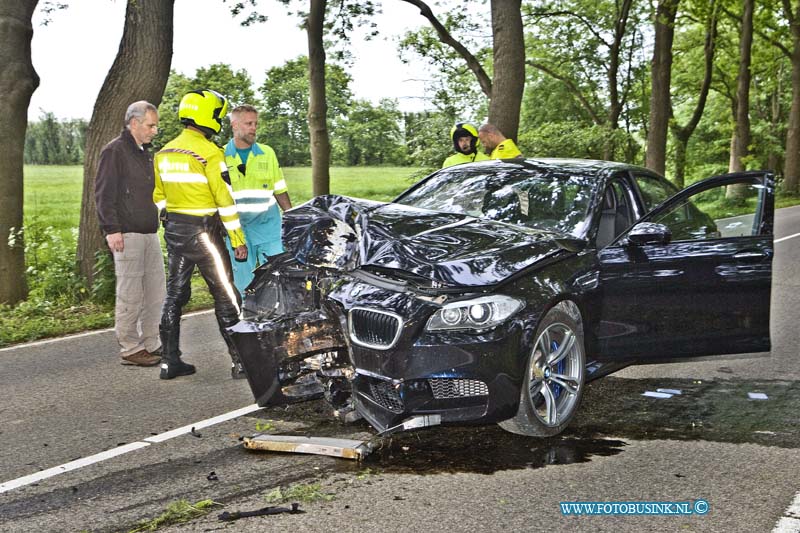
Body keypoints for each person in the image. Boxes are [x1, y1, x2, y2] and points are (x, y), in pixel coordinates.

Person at [153, 89, 248, 380]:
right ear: (207, 117)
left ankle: (169, 362)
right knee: (227, 297)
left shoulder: (164, 152)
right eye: (218, 115)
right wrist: (237, 239)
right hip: (205, 233)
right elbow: (225, 201)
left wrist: (171, 221)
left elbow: (159, 196)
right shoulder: (209, 153)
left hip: (175, 232)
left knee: (174, 296)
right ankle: (241, 363)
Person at [95, 101, 165, 368]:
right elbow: (103, 195)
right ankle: (129, 347)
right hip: (126, 233)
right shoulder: (114, 151)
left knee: (155, 292)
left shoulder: (145, 153)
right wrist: (111, 230)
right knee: (131, 294)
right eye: (151, 125)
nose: (154, 130)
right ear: (134, 123)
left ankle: (151, 342)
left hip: (149, 232)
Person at [223, 105, 292, 296]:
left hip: (268, 227)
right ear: (234, 125)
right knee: (242, 285)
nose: (254, 128)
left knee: (276, 278)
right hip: (238, 232)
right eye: (248, 123)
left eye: (255, 124)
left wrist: (293, 217)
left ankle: (275, 320)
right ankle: (248, 320)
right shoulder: (220, 156)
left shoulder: (267, 153)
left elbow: (280, 189)